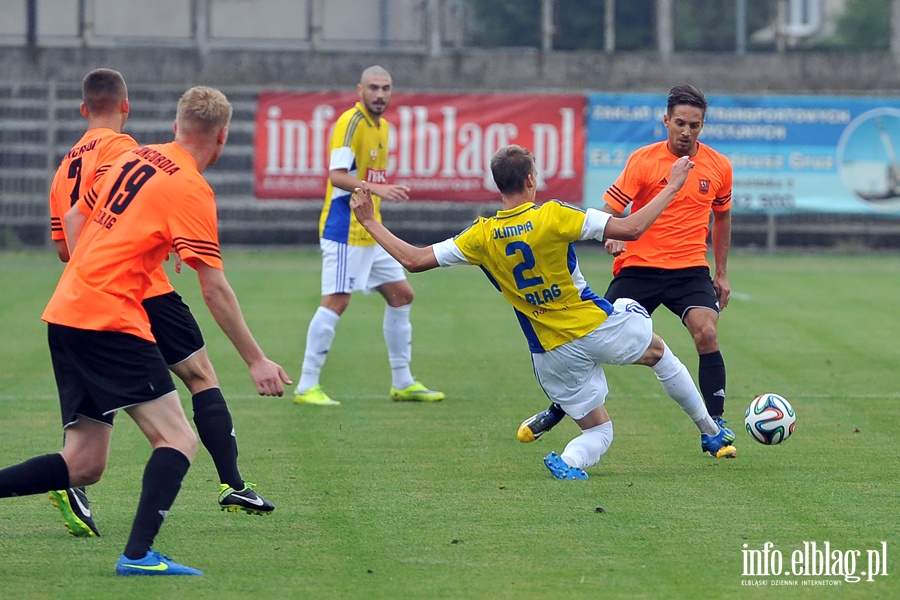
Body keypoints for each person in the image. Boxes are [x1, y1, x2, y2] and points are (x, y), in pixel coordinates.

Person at [0, 85, 289, 576]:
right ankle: (137, 556)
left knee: (84, 464)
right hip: (109, 319)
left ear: (176, 127)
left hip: (67, 312)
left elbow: (74, 216)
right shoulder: (192, 189)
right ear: (222, 138)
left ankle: (140, 550)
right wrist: (256, 359)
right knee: (177, 439)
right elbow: (214, 288)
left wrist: (96, 265)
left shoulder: (138, 156)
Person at [348, 145, 736, 479]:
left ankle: (568, 459)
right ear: (532, 179)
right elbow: (631, 229)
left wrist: (368, 221)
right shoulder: (554, 214)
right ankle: (709, 430)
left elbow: (414, 260)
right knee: (655, 346)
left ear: (498, 185)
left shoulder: (480, 235)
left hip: (549, 353)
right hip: (593, 326)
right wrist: (672, 185)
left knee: (599, 433)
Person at [517, 84, 737, 459]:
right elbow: (608, 207)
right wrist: (612, 233)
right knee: (595, 340)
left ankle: (715, 424)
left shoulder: (718, 166)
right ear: (666, 121)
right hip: (638, 268)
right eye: (680, 123)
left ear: (703, 126)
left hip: (689, 271)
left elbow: (723, 216)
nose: (686, 132)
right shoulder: (643, 161)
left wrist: (721, 272)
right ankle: (559, 407)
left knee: (707, 332)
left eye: (695, 126)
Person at [293, 65, 443, 406]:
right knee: (337, 301)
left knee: (402, 295)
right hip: (344, 229)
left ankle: (403, 382)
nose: (379, 94)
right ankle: (306, 385)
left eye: (385, 88)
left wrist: (376, 195)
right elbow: (336, 176)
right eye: (373, 88)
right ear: (359, 90)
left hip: (370, 230)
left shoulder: (383, 126)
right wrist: (379, 188)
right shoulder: (352, 123)